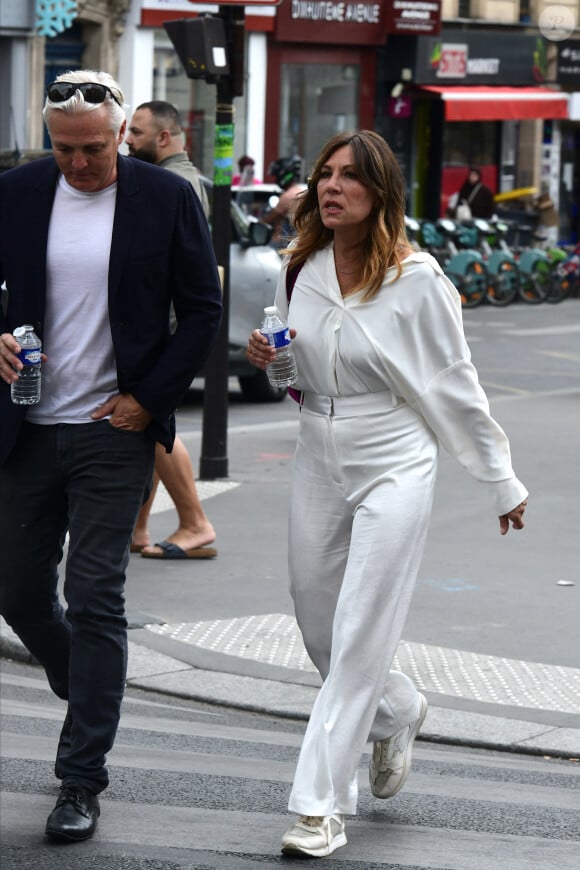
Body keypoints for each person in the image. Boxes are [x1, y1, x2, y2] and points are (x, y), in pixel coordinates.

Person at [246, 130, 528, 859]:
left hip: (395, 455)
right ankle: (399, 709)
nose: (330, 187)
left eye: (348, 178)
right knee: (317, 626)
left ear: (380, 193)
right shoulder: (299, 267)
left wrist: (499, 480)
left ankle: (319, 807)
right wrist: (269, 359)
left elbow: (454, 384)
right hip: (318, 448)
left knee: (362, 624)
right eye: (324, 176)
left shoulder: (417, 278)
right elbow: (292, 380)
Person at [0, 70, 222, 842]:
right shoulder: (21, 190)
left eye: (93, 149)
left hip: (114, 429)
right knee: (19, 593)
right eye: (64, 149)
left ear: (121, 136)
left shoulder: (164, 199)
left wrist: (150, 400)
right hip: (26, 425)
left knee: (96, 598)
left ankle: (80, 780)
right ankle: (83, 680)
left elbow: (201, 310)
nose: (79, 165)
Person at [125, 100, 216, 559]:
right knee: (152, 427)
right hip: (172, 326)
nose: (128, 140)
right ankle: (139, 529)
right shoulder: (188, 180)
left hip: (168, 328)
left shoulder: (173, 184)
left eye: (136, 133)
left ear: (164, 137)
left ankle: (194, 522)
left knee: (155, 423)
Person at [263, 155, 304, 251]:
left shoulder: (288, 196)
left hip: (281, 244)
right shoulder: (297, 191)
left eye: (276, 176)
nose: (275, 179)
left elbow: (269, 219)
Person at [534, 184, 560, 248]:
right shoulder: (540, 200)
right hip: (544, 222)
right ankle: (543, 247)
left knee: (548, 236)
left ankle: (547, 247)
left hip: (549, 222)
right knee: (541, 235)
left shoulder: (547, 198)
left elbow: (544, 205)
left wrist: (538, 204)